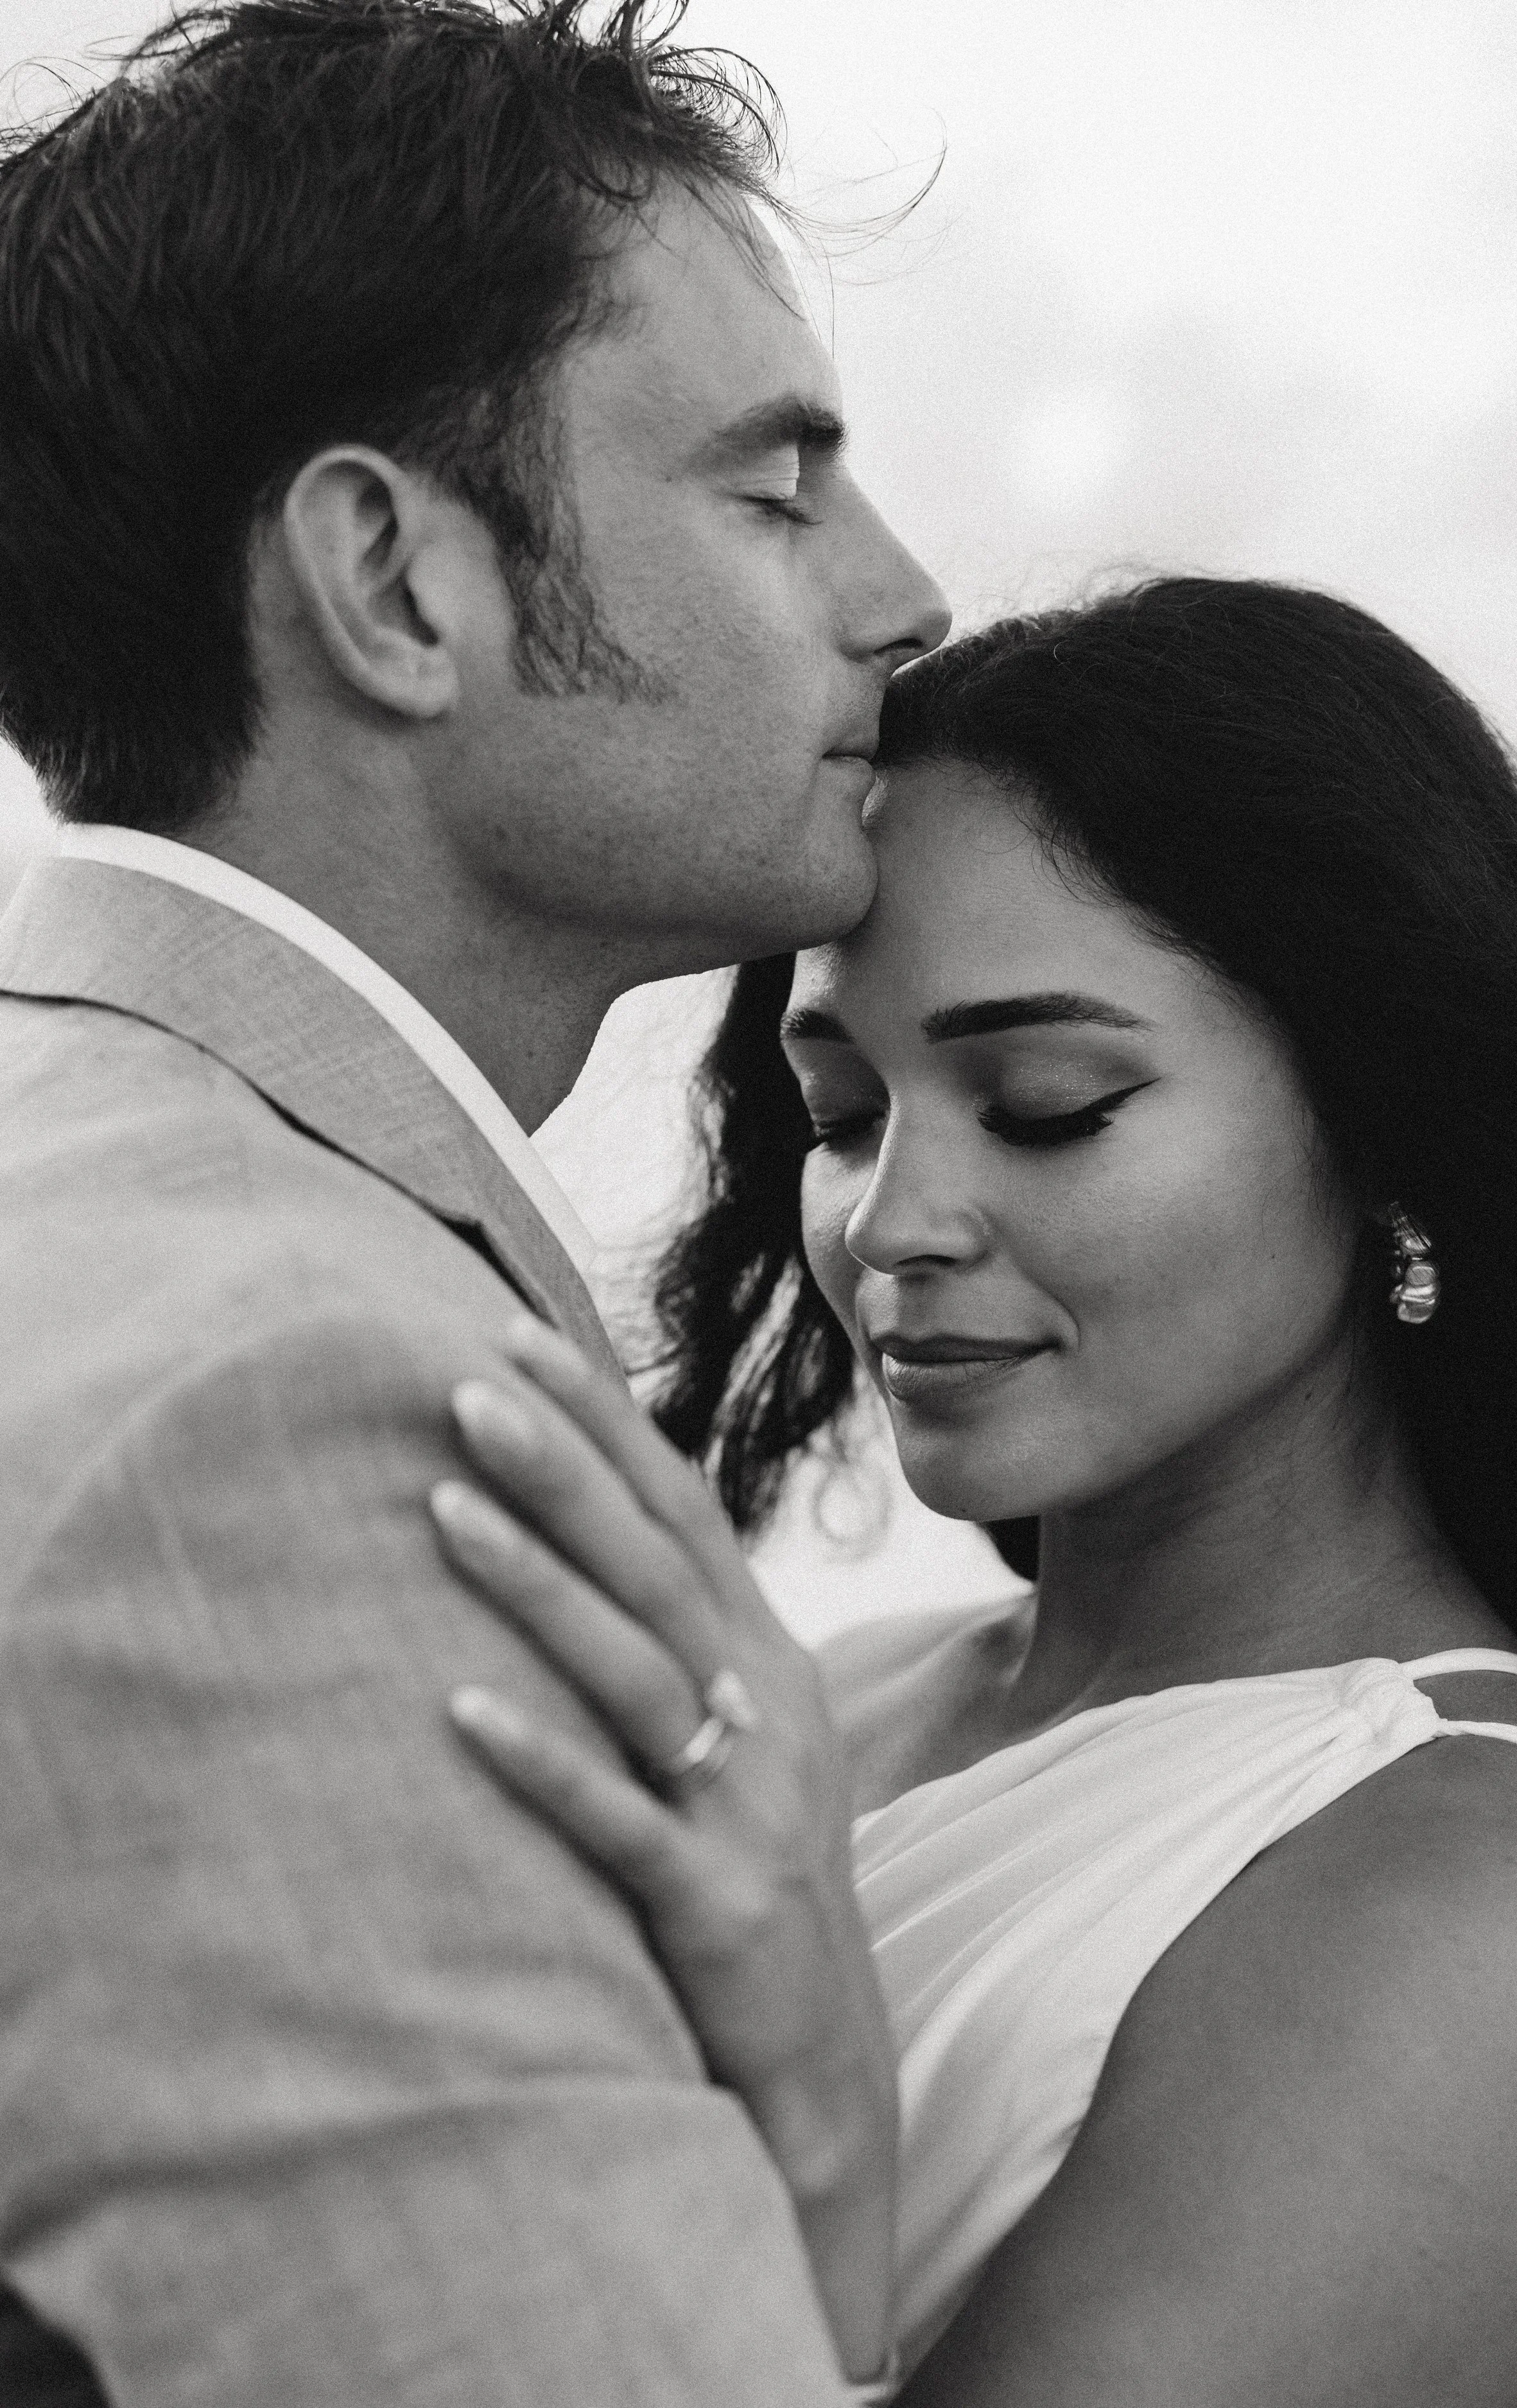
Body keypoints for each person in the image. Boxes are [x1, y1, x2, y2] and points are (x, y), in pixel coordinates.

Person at [0, 1, 948, 2400]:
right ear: (393, 583)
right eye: (775, 489)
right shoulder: (284, 1405)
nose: (902, 595)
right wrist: (826, 2134)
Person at [431, 579, 1517, 2405]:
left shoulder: (1497, 1929)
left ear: (1385, 1125)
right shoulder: (825, 1705)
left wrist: (821, 2101)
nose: (891, 1223)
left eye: (1047, 1104)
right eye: (841, 1116)